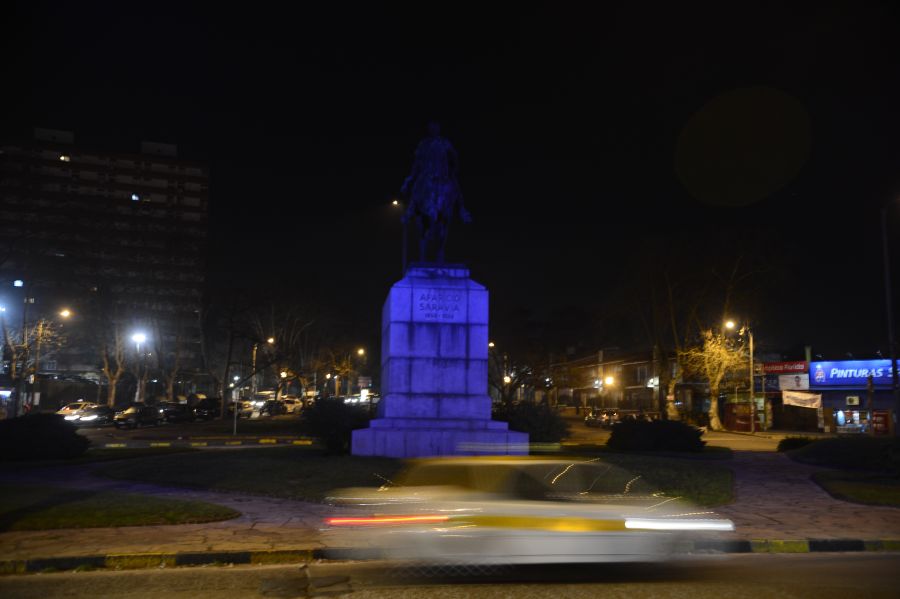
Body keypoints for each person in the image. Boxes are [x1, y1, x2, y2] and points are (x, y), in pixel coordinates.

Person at [401, 122, 471, 262]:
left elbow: (454, 155)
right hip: (427, 171)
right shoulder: (424, 143)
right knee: (417, 186)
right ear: (429, 130)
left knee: (455, 185)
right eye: (431, 128)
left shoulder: (445, 142)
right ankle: (410, 211)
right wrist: (411, 177)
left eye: (436, 128)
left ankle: (462, 210)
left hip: (442, 171)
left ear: (439, 129)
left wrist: (453, 167)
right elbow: (417, 161)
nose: (434, 130)